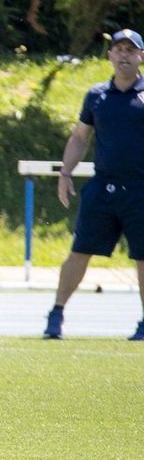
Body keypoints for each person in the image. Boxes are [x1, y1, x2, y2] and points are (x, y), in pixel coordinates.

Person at [44, 29, 144, 341]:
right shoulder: (96, 95)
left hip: (140, 190)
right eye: (119, 49)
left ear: (141, 55)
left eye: (131, 49)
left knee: (142, 257)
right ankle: (56, 314)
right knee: (79, 251)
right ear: (109, 55)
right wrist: (65, 173)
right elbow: (79, 137)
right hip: (103, 188)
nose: (124, 55)